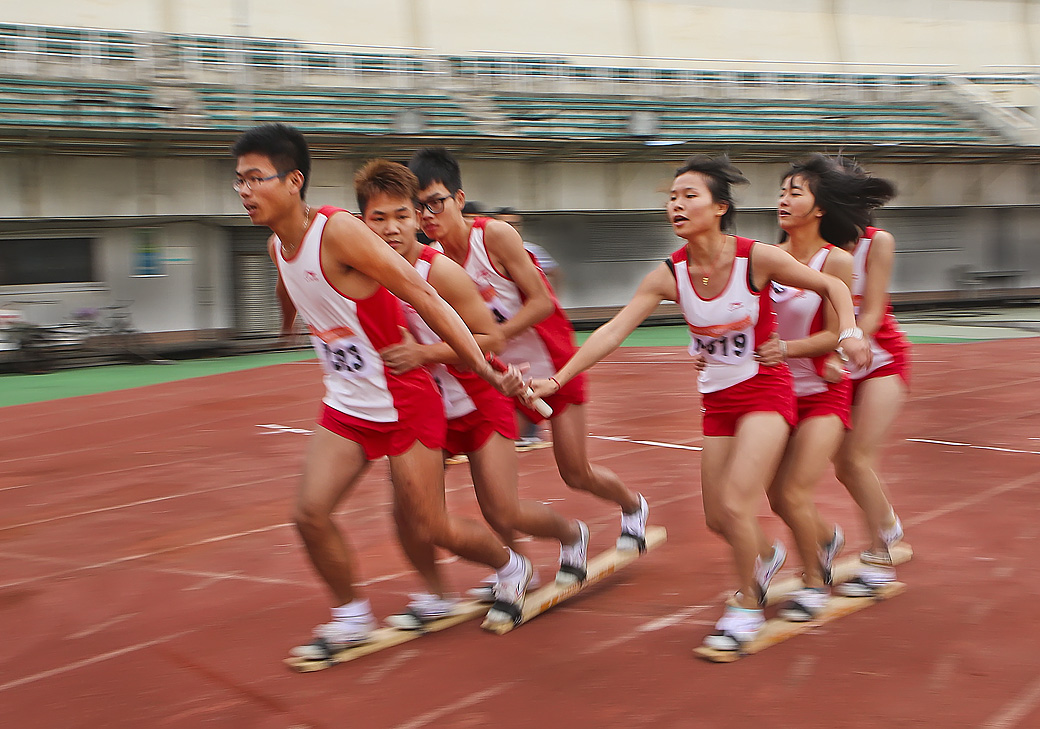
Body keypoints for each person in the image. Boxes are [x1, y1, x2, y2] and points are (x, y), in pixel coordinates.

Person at [525, 154, 870, 651]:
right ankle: (768, 554)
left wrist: (850, 333)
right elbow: (614, 330)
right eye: (672, 197)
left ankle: (746, 606)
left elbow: (833, 284)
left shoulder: (756, 258)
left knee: (736, 502)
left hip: (766, 394)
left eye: (690, 196)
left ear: (719, 207)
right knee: (717, 518)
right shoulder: (670, 274)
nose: (677, 205)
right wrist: (558, 380)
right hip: (717, 401)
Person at [232, 124, 532, 658]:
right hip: (347, 403)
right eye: (239, 181)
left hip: (404, 401)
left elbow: (421, 293)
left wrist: (485, 368)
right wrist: (286, 321)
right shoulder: (280, 243)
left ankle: (512, 566)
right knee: (309, 514)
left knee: (429, 522)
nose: (245, 191)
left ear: (294, 180)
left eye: (256, 178)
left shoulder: (339, 231)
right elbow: (289, 281)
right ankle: (351, 616)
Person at [352, 159, 588, 624]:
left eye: (404, 215)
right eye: (379, 219)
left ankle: (571, 535)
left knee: (503, 507)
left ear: (418, 218)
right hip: (425, 409)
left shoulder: (439, 272)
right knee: (409, 510)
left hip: (479, 399)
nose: (394, 227)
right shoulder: (364, 273)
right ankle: (438, 592)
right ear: (362, 223)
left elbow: (492, 340)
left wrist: (423, 355)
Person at [408, 148, 649, 557]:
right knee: (495, 489)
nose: (428, 215)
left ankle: (632, 506)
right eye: (419, 207)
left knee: (576, 472)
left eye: (436, 202)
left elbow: (540, 301)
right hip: (502, 378)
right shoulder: (431, 262)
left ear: (459, 199)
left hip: (553, 365)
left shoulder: (494, 237)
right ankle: (510, 564)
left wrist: (494, 334)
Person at [754, 154, 859, 621]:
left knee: (794, 491)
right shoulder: (768, 256)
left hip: (823, 391)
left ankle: (815, 581)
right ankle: (826, 537)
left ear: (819, 208)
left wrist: (789, 350)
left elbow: (835, 332)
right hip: (777, 394)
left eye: (795, 191)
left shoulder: (835, 260)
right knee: (777, 496)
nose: (784, 198)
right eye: (781, 191)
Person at [826, 157, 907, 598]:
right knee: (841, 466)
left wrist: (846, 346)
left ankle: (880, 552)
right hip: (834, 362)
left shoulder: (878, 242)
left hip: (878, 358)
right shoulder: (811, 247)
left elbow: (872, 311)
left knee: (858, 459)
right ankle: (888, 522)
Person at [493, 206, 561, 451]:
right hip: (504, 341)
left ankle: (530, 430)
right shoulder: (485, 253)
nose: (510, 228)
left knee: (575, 470)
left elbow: (550, 283)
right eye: (504, 223)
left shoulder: (531, 251)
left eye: (514, 223)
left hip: (530, 339)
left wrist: (551, 297)